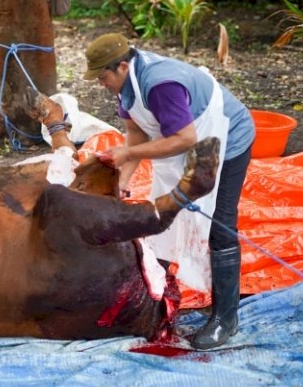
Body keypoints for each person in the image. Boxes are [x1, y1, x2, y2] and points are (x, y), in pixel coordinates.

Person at [82, 33, 255, 350]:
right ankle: (149, 300)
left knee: (219, 225)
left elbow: (186, 138)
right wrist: (121, 180)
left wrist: (130, 156)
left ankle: (225, 319)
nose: (100, 83)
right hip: (184, 144)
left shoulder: (161, 84)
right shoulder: (126, 85)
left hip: (226, 139)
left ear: (121, 66)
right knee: (162, 218)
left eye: (102, 76)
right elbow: (134, 131)